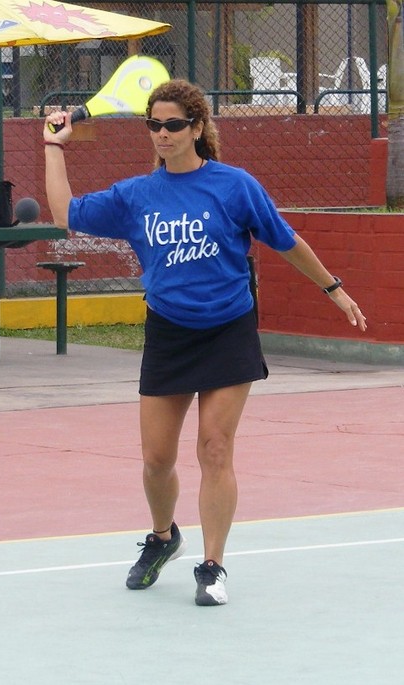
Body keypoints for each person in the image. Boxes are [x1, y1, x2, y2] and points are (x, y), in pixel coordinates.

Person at [43, 79, 367, 607]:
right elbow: (66, 215)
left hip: (228, 330)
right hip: (169, 332)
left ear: (197, 128)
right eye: (154, 125)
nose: (162, 134)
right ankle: (164, 536)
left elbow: (286, 240)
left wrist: (334, 289)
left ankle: (213, 565)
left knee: (215, 448)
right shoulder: (136, 195)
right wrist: (55, 147)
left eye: (173, 125)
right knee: (155, 459)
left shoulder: (234, 186)